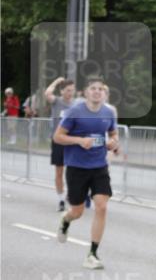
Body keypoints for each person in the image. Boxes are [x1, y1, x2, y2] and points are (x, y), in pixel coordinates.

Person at [54, 75, 119, 269]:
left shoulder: (108, 112)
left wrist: (113, 142)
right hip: (77, 167)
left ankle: (92, 254)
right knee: (77, 211)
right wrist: (80, 141)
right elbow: (58, 137)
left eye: (100, 88)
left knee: (102, 207)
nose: (97, 91)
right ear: (85, 92)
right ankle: (66, 219)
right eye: (93, 88)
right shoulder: (75, 111)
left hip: (99, 166)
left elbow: (114, 133)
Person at [45, 76, 76, 210]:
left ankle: (71, 195)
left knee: (73, 171)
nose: (70, 93)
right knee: (59, 171)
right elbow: (47, 93)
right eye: (68, 90)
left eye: (72, 90)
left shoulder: (76, 105)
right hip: (58, 141)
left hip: (72, 142)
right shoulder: (56, 101)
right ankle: (61, 200)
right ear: (62, 91)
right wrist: (57, 81)